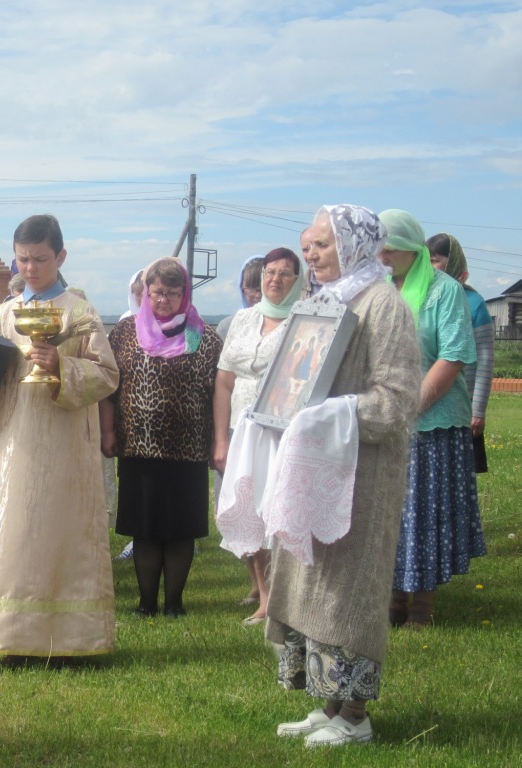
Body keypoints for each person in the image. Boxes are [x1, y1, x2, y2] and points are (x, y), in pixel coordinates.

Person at [261, 205, 421, 747]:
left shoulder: (384, 305)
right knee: (314, 585)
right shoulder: (323, 301)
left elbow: (397, 400)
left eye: (322, 245)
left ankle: (355, 715)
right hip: (315, 468)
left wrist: (333, 414)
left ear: (355, 245)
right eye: (307, 245)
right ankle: (328, 706)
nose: (310, 254)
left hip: (362, 474)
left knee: (350, 590)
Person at [0, 214, 119, 658]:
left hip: (67, 444)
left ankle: (74, 638)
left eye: (41, 259)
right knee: (13, 532)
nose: (31, 268)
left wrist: (61, 367)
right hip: (14, 442)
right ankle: (8, 635)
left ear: (61, 257)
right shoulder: (0, 316)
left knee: (63, 532)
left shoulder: (80, 312)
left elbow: (108, 376)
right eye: (23, 260)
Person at [379, 209, 485, 629]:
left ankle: (420, 607)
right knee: (387, 514)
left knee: (422, 514)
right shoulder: (380, 292)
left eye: (389, 249)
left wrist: (409, 406)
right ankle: (391, 599)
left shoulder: (443, 291)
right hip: (385, 422)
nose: (382, 256)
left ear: (410, 248)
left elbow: (454, 354)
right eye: (379, 249)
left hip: (430, 423)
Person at [100, 258, 221, 617]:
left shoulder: (205, 338)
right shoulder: (124, 333)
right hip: (139, 448)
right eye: (156, 293)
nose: (164, 300)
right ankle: (146, 602)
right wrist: (108, 431)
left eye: (172, 293)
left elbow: (218, 393)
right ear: (146, 294)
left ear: (184, 294)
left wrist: (218, 441)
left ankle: (174, 603)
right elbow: (108, 389)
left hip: (189, 449)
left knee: (181, 530)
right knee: (146, 529)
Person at [213, 248, 304, 624]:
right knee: (247, 510)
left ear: (298, 281)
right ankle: (264, 595)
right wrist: (220, 438)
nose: (275, 279)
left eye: (285, 273)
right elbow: (223, 381)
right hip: (239, 426)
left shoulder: (305, 321)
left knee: (275, 512)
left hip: (281, 430)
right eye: (270, 272)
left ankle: (285, 597)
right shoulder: (243, 319)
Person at [427, 233, 493, 473]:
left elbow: (485, 360)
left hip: (460, 406)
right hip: (427, 403)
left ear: (453, 261)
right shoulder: (426, 297)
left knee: (458, 473)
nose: (429, 266)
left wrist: (478, 411)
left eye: (434, 260)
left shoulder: (474, 303)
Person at [215, 255, 265, 341]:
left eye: (262, 289)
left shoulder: (286, 325)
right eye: (252, 288)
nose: (258, 295)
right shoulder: (227, 326)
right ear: (241, 287)